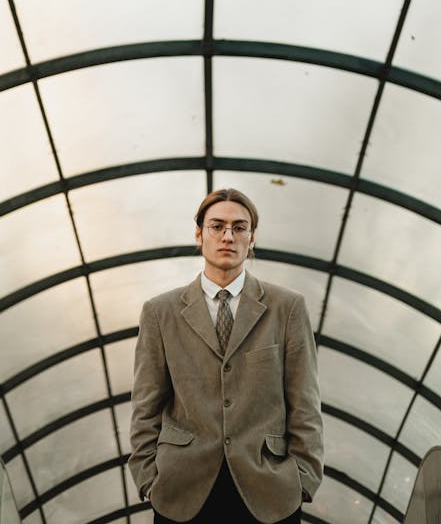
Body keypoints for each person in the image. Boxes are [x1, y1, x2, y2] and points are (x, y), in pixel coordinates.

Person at [128, 188, 323, 524]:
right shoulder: (161, 312)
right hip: (181, 491)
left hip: (269, 492)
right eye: (217, 226)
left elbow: (304, 401)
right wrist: (148, 478)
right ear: (199, 234)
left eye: (239, 227)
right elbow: (146, 404)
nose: (228, 236)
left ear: (252, 238)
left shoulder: (287, 307)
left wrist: (302, 480)